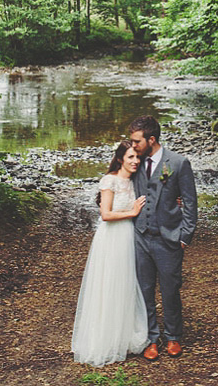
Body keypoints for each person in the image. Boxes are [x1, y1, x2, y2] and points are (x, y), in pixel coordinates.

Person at [71, 141, 149, 367]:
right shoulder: (110, 180)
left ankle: (123, 334)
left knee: (125, 282)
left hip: (129, 237)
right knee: (109, 282)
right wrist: (132, 211)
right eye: (131, 157)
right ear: (120, 159)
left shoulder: (135, 180)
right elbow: (105, 214)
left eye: (137, 158)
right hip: (112, 237)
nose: (135, 161)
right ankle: (104, 338)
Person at [128, 115, 198, 361]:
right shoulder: (132, 161)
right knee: (144, 290)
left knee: (170, 290)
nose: (132, 145)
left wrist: (184, 236)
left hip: (169, 238)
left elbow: (190, 202)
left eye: (136, 141)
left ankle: (173, 337)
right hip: (140, 237)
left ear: (152, 139)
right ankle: (150, 338)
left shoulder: (178, 163)